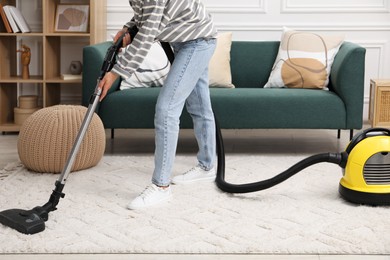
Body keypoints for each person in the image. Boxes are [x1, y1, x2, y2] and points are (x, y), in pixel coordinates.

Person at [98, 0, 218, 210]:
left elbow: (146, 36)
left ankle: (161, 187)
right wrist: (128, 28)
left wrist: (116, 72)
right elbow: (144, 16)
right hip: (184, 41)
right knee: (199, 107)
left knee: (166, 110)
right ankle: (207, 167)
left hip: (198, 41)